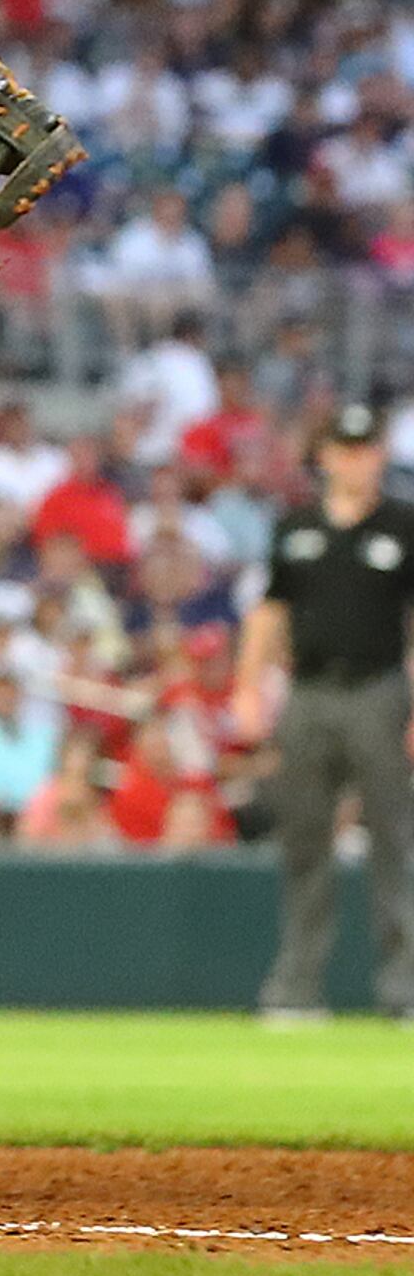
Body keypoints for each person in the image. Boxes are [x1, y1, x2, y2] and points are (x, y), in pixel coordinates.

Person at [234, 400, 414, 1023]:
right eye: (345, 448)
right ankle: (296, 988)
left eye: (366, 449)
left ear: (379, 456)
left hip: (379, 690)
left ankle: (404, 990)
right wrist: (248, 686)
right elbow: (270, 610)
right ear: (327, 455)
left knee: (395, 839)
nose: (356, 460)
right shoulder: (296, 525)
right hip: (309, 691)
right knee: (305, 841)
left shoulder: (403, 525)